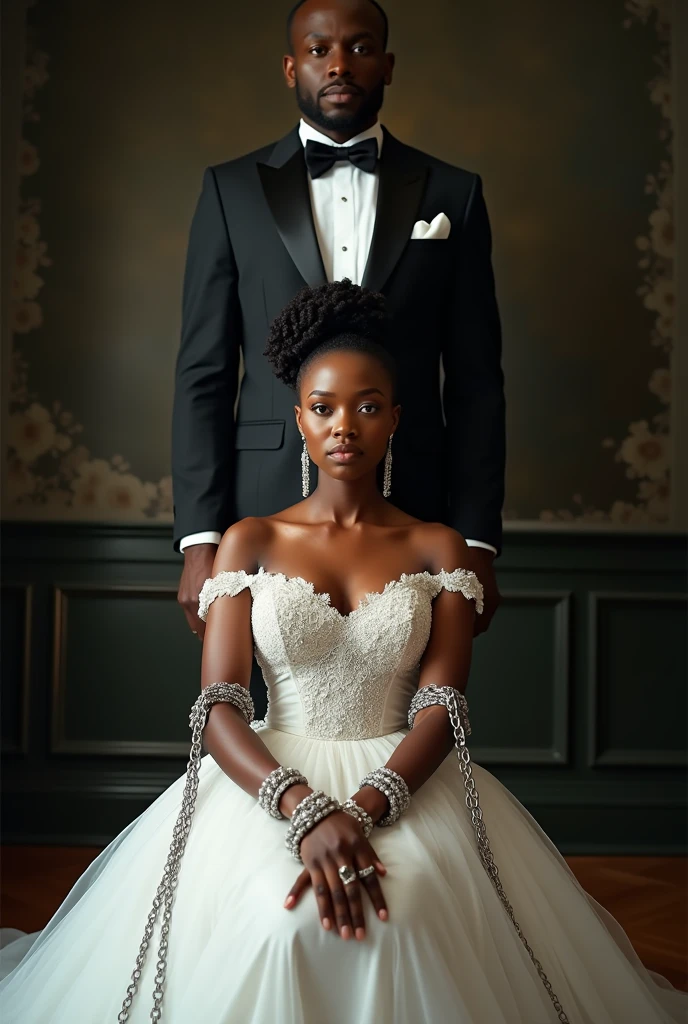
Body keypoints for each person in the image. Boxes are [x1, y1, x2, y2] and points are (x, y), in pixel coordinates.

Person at [1, 282, 686, 1024]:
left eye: (366, 406)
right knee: (277, 920)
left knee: (408, 913)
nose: (344, 425)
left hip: (404, 778)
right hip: (267, 778)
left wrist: (361, 810)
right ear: (299, 420)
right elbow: (219, 707)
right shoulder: (250, 541)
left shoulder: (437, 547)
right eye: (323, 407)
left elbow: (442, 707)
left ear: (396, 418)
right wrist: (304, 810)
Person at [173, 0, 506, 692]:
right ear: (292, 66)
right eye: (320, 50)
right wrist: (201, 538)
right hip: (260, 500)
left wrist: (476, 538)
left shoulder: (454, 193)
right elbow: (203, 372)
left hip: (412, 494)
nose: (339, 63)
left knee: (414, 711)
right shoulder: (230, 190)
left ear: (387, 64)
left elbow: (476, 380)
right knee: (261, 709)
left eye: (359, 48)